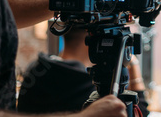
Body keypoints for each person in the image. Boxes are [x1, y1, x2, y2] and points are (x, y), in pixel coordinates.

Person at [17, 27, 149, 116]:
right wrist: (132, 63)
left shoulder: (37, 67)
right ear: (92, 40)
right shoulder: (83, 81)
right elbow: (139, 112)